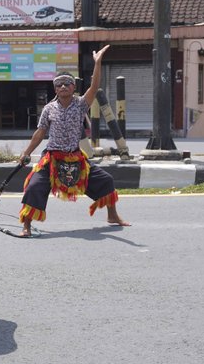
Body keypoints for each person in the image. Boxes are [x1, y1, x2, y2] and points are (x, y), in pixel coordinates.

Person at [18, 45, 130, 237]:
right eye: (59, 84)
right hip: (52, 158)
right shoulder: (49, 109)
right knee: (34, 186)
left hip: (75, 158)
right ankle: (26, 225)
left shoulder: (80, 105)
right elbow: (40, 132)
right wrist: (26, 152)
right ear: (55, 88)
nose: (63, 86)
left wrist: (98, 62)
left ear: (73, 87)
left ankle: (112, 216)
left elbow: (94, 86)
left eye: (67, 84)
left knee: (106, 180)